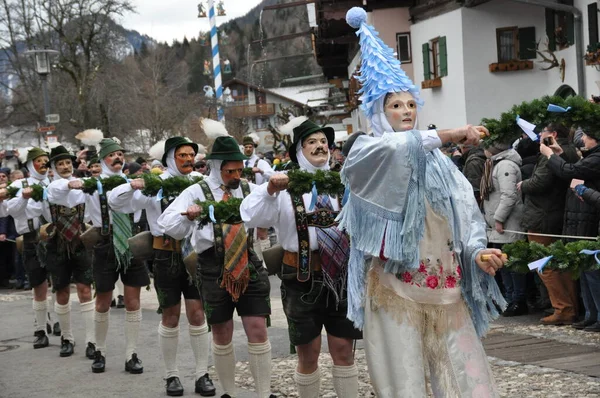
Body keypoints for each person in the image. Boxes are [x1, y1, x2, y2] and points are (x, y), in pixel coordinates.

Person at [337, 8, 507, 397]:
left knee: (465, 379)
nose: (406, 112)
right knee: (405, 380)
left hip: (445, 284)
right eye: (395, 105)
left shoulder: (440, 163)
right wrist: (452, 132)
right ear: (380, 112)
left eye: (411, 104)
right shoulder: (368, 150)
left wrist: (479, 252)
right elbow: (397, 150)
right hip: (395, 286)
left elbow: (465, 211)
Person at [241, 119, 362, 397]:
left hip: (342, 277)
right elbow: (250, 214)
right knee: (308, 354)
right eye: (312, 142)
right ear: (299, 149)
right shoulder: (285, 182)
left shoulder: (343, 181)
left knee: (343, 350)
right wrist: (271, 189)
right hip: (300, 278)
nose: (321, 146)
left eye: (324, 142)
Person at [159, 135, 275, 398]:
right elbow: (168, 223)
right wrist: (188, 217)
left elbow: (271, 213)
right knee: (222, 331)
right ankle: (229, 393)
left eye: (239, 169)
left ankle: (264, 393)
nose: (235, 175)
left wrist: (269, 193)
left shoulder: (248, 188)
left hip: (247, 261)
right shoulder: (196, 191)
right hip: (212, 265)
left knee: (257, 326)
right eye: (229, 170)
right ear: (215, 167)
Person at [109, 137, 214, 396]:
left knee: (198, 313)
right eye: (183, 155)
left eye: (192, 154)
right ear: (170, 159)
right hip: (165, 255)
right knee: (170, 315)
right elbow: (116, 202)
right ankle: (172, 375)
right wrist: (133, 185)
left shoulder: (199, 184)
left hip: (194, 255)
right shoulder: (155, 184)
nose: (189, 159)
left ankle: (202, 373)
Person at [50, 138, 150, 374]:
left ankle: (131, 354)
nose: (118, 157)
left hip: (130, 242)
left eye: (120, 154)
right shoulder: (92, 184)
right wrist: (68, 185)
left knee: (133, 300)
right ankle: (100, 350)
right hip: (105, 243)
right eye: (112, 155)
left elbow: (147, 201)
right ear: (103, 159)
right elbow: (53, 193)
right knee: (103, 300)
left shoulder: (132, 181)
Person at [517, 123, 579, 322]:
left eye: (542, 133)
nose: (539, 136)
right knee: (561, 264)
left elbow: (540, 182)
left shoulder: (550, 154)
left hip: (542, 215)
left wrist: (523, 184)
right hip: (555, 214)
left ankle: (562, 308)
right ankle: (570, 307)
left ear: (552, 134)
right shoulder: (569, 152)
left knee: (544, 264)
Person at [541, 126, 600, 329]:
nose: (582, 139)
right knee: (583, 270)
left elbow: (571, 171)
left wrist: (550, 156)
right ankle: (591, 314)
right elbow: (575, 169)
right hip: (579, 216)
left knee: (592, 271)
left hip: (588, 219)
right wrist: (559, 153)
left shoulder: (597, 157)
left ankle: (598, 316)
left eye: (586, 136)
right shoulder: (590, 156)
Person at [45, 146, 95, 358]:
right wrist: (70, 183)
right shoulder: (51, 187)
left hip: (81, 242)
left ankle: (92, 341)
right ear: (54, 167)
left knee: (85, 290)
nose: (65, 167)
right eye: (60, 164)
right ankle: (67, 337)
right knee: (62, 291)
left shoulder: (83, 185)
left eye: (67, 163)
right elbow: (56, 191)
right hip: (57, 244)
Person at [6, 148, 54, 349]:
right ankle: (40, 328)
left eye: (46, 160)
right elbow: (11, 210)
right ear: (29, 165)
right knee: (38, 284)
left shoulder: (54, 184)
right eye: (39, 161)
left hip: (54, 236)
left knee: (59, 283)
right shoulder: (19, 184)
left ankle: (59, 321)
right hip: (32, 238)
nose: (43, 164)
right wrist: (24, 198)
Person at [481, 142, 526, 316]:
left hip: (507, 223)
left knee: (512, 263)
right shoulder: (495, 164)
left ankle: (518, 300)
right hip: (498, 225)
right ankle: (508, 298)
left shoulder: (505, 165)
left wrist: (499, 218)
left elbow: (509, 195)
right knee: (503, 263)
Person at [241, 135, 275, 255]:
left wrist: (261, 171)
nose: (248, 149)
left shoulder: (260, 162)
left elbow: (272, 175)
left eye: (250, 147)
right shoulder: (240, 163)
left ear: (254, 148)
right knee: (248, 232)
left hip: (259, 200)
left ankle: (267, 259)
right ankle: (253, 258)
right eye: (246, 147)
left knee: (261, 231)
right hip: (244, 201)